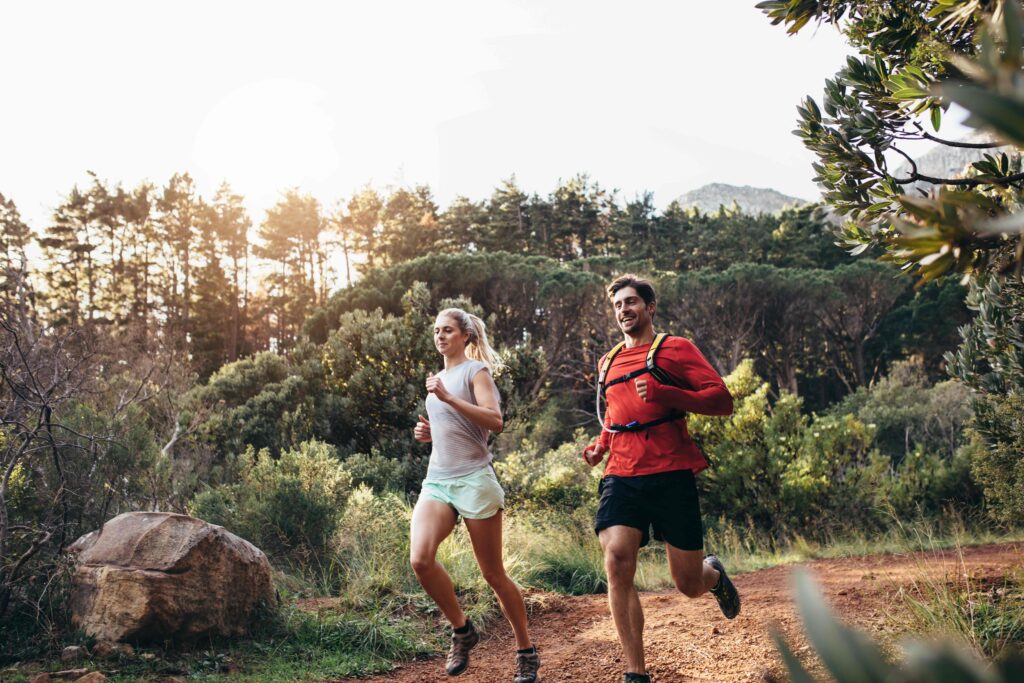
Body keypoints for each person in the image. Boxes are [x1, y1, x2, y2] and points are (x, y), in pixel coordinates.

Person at [582, 274, 740, 683]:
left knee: (688, 583)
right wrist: (600, 446)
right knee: (616, 559)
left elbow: (723, 401)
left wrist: (667, 393)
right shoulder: (609, 361)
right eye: (618, 305)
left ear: (650, 308)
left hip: (671, 473)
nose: (624, 311)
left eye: (632, 302)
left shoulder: (675, 349)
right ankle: (636, 673)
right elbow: (616, 417)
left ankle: (714, 576)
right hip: (622, 473)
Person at [410, 307, 539, 682]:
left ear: (465, 336)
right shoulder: (439, 379)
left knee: (494, 574)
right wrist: (431, 434)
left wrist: (448, 399)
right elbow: (459, 429)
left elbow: (494, 421)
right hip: (438, 480)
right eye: (436, 330)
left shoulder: (474, 372)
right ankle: (463, 630)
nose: (440, 336)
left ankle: (526, 651)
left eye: (447, 330)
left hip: (474, 480)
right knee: (420, 559)